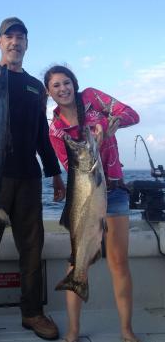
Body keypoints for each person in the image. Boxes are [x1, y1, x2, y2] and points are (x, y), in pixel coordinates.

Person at [0, 17, 65, 342]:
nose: (15, 42)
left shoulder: (35, 86)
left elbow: (41, 135)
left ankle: (32, 312)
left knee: (32, 248)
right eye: (9, 37)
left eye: (21, 37)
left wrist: (55, 173)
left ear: (26, 44)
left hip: (29, 179)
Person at [44, 65, 140, 342]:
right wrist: (94, 145)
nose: (63, 89)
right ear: (49, 93)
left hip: (115, 192)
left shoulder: (93, 98)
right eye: (55, 86)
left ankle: (126, 331)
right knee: (77, 263)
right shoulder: (56, 131)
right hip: (84, 199)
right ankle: (73, 331)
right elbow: (70, 167)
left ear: (74, 83)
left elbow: (132, 114)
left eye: (66, 83)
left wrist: (114, 125)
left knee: (119, 262)